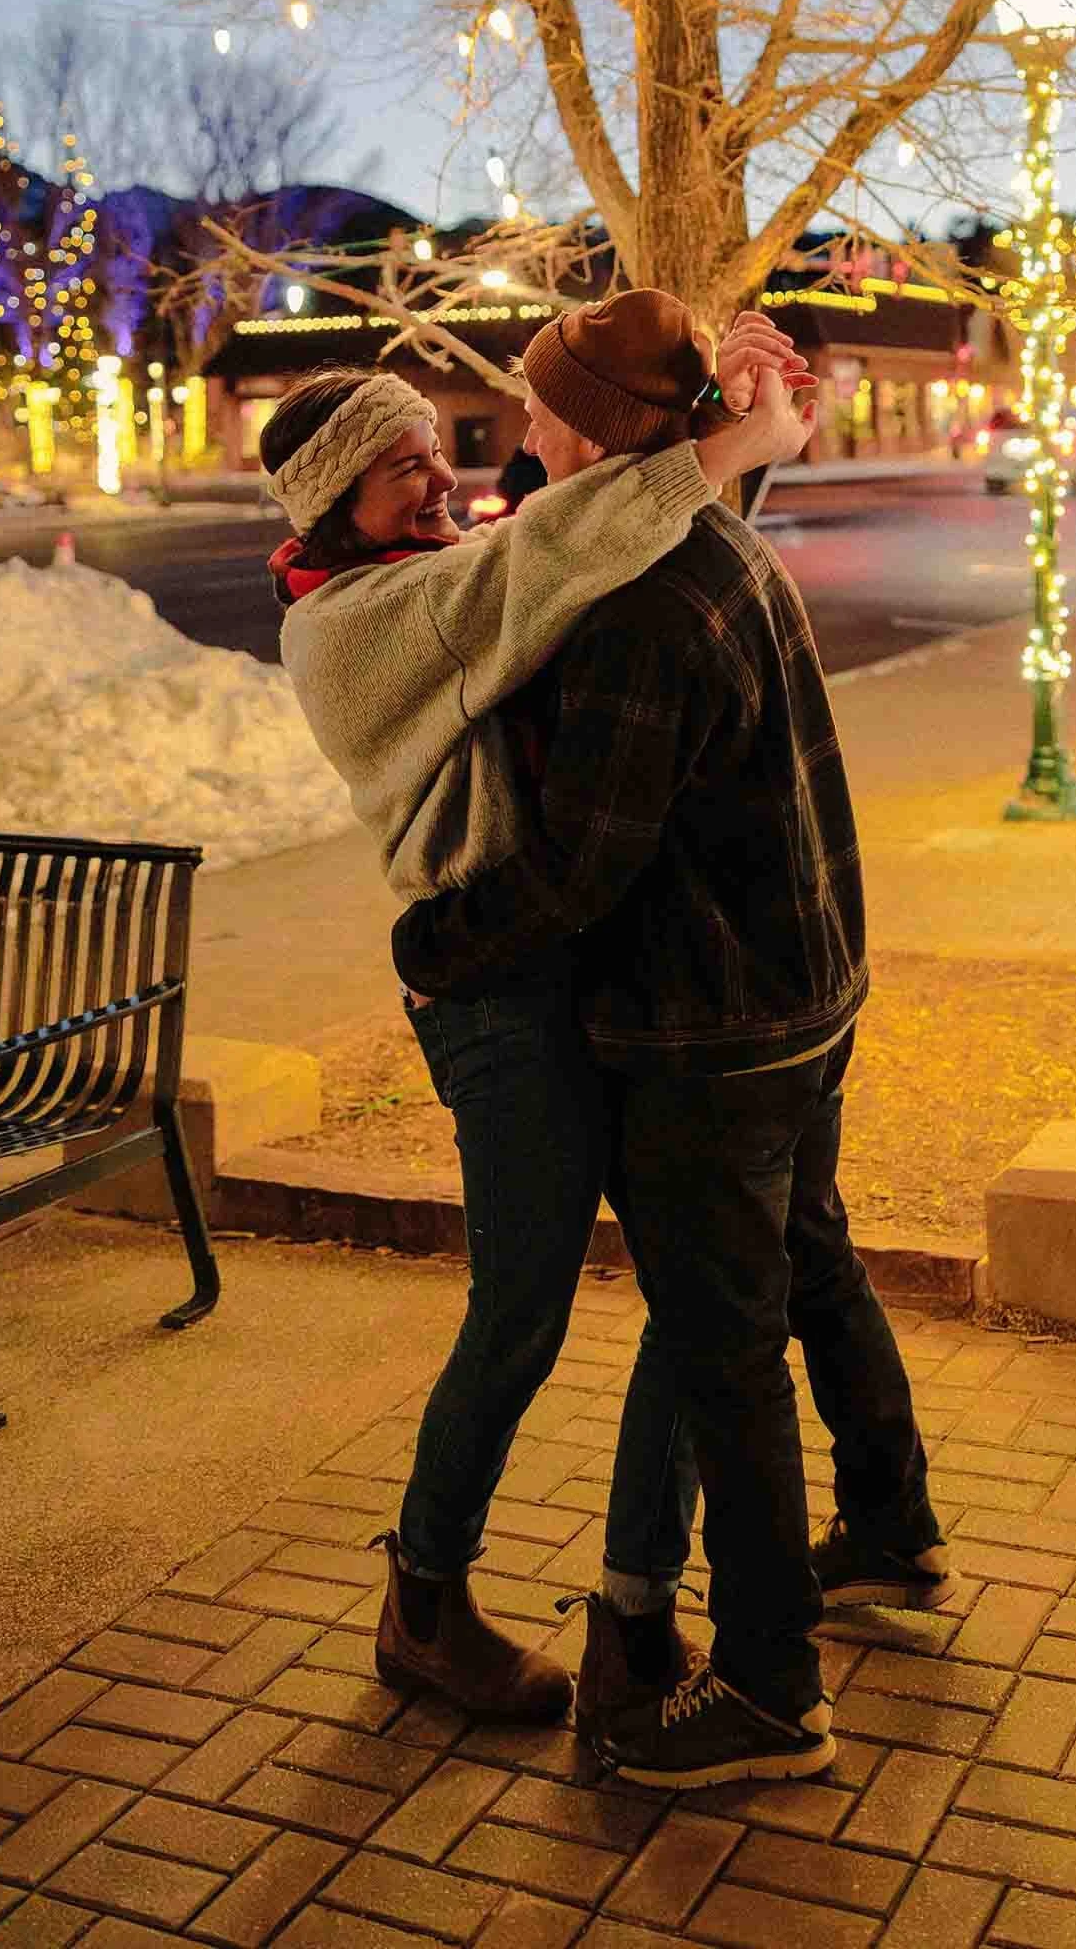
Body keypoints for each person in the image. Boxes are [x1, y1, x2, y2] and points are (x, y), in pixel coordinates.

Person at [392, 306, 948, 1794]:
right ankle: (893, 1525)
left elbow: (581, 868)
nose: (517, 439)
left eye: (538, 414)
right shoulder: (708, 545)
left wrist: (431, 946)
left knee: (725, 1360)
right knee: (805, 1259)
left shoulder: (642, 606)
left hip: (717, 1036)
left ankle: (770, 1695)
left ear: (589, 433)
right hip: (808, 999)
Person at [263, 303, 811, 1730]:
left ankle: (640, 1601)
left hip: (577, 962)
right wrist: (731, 440)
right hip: (492, 989)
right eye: (401, 472)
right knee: (519, 1312)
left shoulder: (441, 563)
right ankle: (423, 1601)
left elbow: (593, 517)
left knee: (689, 1289)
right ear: (336, 503)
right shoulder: (352, 625)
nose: (440, 482)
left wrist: (702, 387)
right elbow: (553, 548)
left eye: (438, 449)